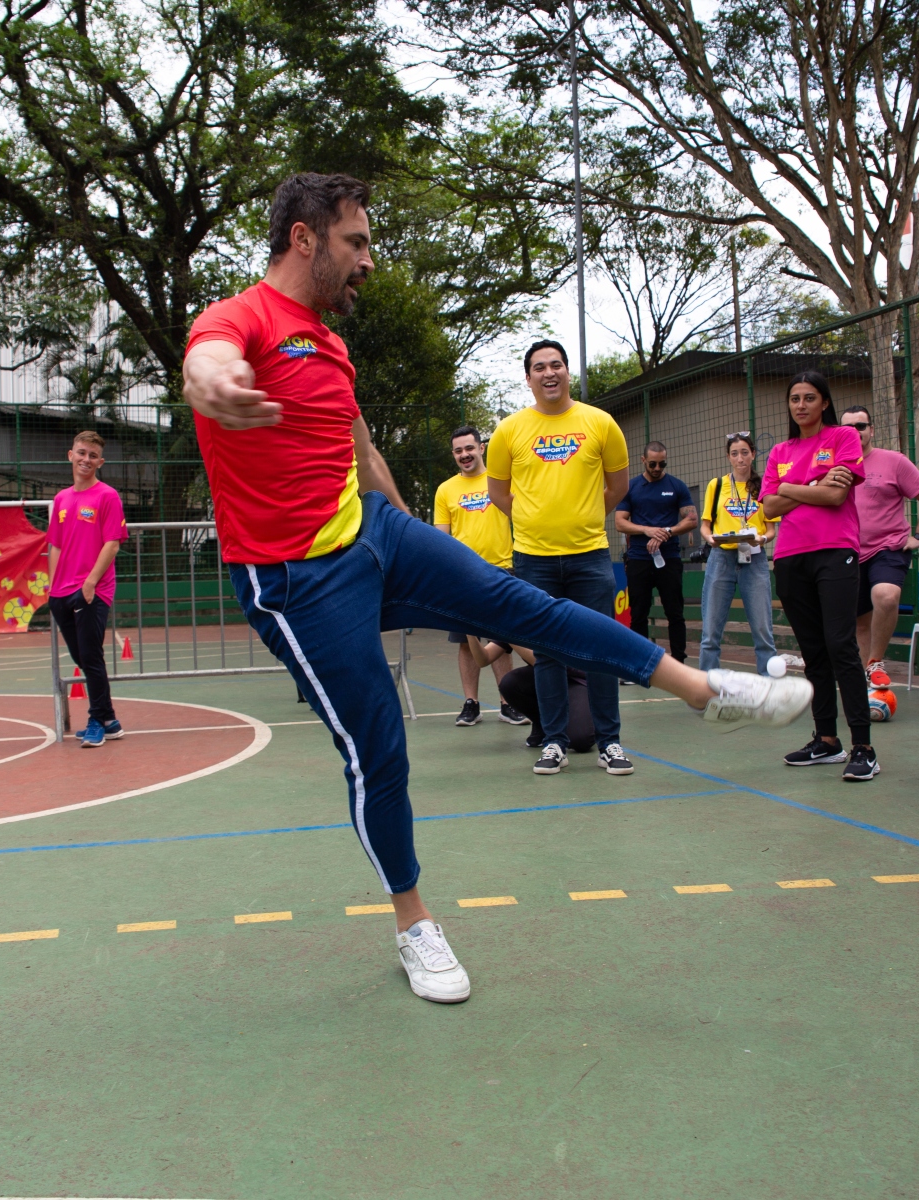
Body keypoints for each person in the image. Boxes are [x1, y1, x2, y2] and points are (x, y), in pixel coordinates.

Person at [181, 172, 811, 1004]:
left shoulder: (330, 343)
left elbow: (361, 451)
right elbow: (206, 360)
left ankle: (704, 691)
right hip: (294, 576)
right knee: (378, 751)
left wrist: (410, 533)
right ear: (305, 239)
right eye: (356, 242)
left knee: (527, 606)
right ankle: (415, 925)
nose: (368, 259)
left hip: (372, 532)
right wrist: (216, 385)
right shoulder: (240, 318)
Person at [487, 340, 638, 778]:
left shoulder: (600, 423)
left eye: (556, 365)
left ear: (567, 371)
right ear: (528, 377)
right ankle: (553, 742)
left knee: (602, 649)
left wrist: (584, 517)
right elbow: (498, 493)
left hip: (590, 556)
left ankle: (611, 743)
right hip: (533, 561)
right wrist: (535, 519)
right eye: (539, 367)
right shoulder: (509, 431)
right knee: (548, 653)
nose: (548, 373)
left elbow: (618, 486)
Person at [762, 371, 879, 782]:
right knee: (813, 650)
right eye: (795, 398)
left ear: (824, 402)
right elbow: (769, 509)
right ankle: (827, 740)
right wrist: (811, 482)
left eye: (809, 398)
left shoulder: (843, 439)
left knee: (840, 644)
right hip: (791, 557)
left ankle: (863, 746)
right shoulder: (780, 449)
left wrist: (791, 488)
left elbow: (835, 496)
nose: (801, 405)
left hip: (835, 553)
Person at [839, 406, 919, 690]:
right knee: (859, 622)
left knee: (886, 596)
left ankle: (876, 661)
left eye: (860, 426)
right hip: (848, 552)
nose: (854, 432)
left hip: (888, 547)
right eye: (847, 428)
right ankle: (866, 678)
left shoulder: (894, 461)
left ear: (871, 430)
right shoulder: (834, 466)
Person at [432, 425, 522, 727]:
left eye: (469, 448)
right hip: (463, 576)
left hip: (502, 570)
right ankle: (471, 703)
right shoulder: (445, 490)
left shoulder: (499, 481)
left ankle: (508, 702)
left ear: (481, 448)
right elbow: (441, 538)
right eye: (458, 451)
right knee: (465, 642)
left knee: (502, 640)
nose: (464, 455)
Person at [47, 431, 131, 747]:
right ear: (70, 455)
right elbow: (54, 545)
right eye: (81, 453)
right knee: (82, 656)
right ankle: (110, 719)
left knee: (91, 656)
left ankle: (97, 720)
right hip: (62, 593)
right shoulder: (61, 499)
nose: (86, 460)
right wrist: (53, 589)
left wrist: (90, 582)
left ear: (100, 462)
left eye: (92, 456)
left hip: (92, 590)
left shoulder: (107, 496)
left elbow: (112, 544)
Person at [697, 432, 778, 674]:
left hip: (754, 557)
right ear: (728, 457)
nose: (740, 458)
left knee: (763, 630)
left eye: (744, 452)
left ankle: (768, 683)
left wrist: (762, 538)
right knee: (710, 630)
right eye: (734, 454)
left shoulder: (765, 486)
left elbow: (771, 529)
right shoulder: (717, 485)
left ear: (753, 454)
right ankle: (707, 686)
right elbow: (705, 525)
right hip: (721, 557)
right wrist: (709, 538)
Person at [614, 441, 696, 667]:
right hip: (639, 558)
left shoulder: (676, 486)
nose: (658, 468)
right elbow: (620, 522)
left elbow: (691, 520)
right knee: (638, 613)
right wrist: (647, 530)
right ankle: (639, 663)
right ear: (643, 461)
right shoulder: (631, 487)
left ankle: (679, 662)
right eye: (653, 464)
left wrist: (667, 532)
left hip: (669, 558)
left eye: (662, 463)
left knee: (675, 612)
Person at [497, 655, 597, 754]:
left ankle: (596, 716)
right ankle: (544, 724)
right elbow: (485, 658)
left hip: (577, 679)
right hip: (548, 676)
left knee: (580, 740)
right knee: (510, 683)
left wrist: (516, 640)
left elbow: (540, 660)